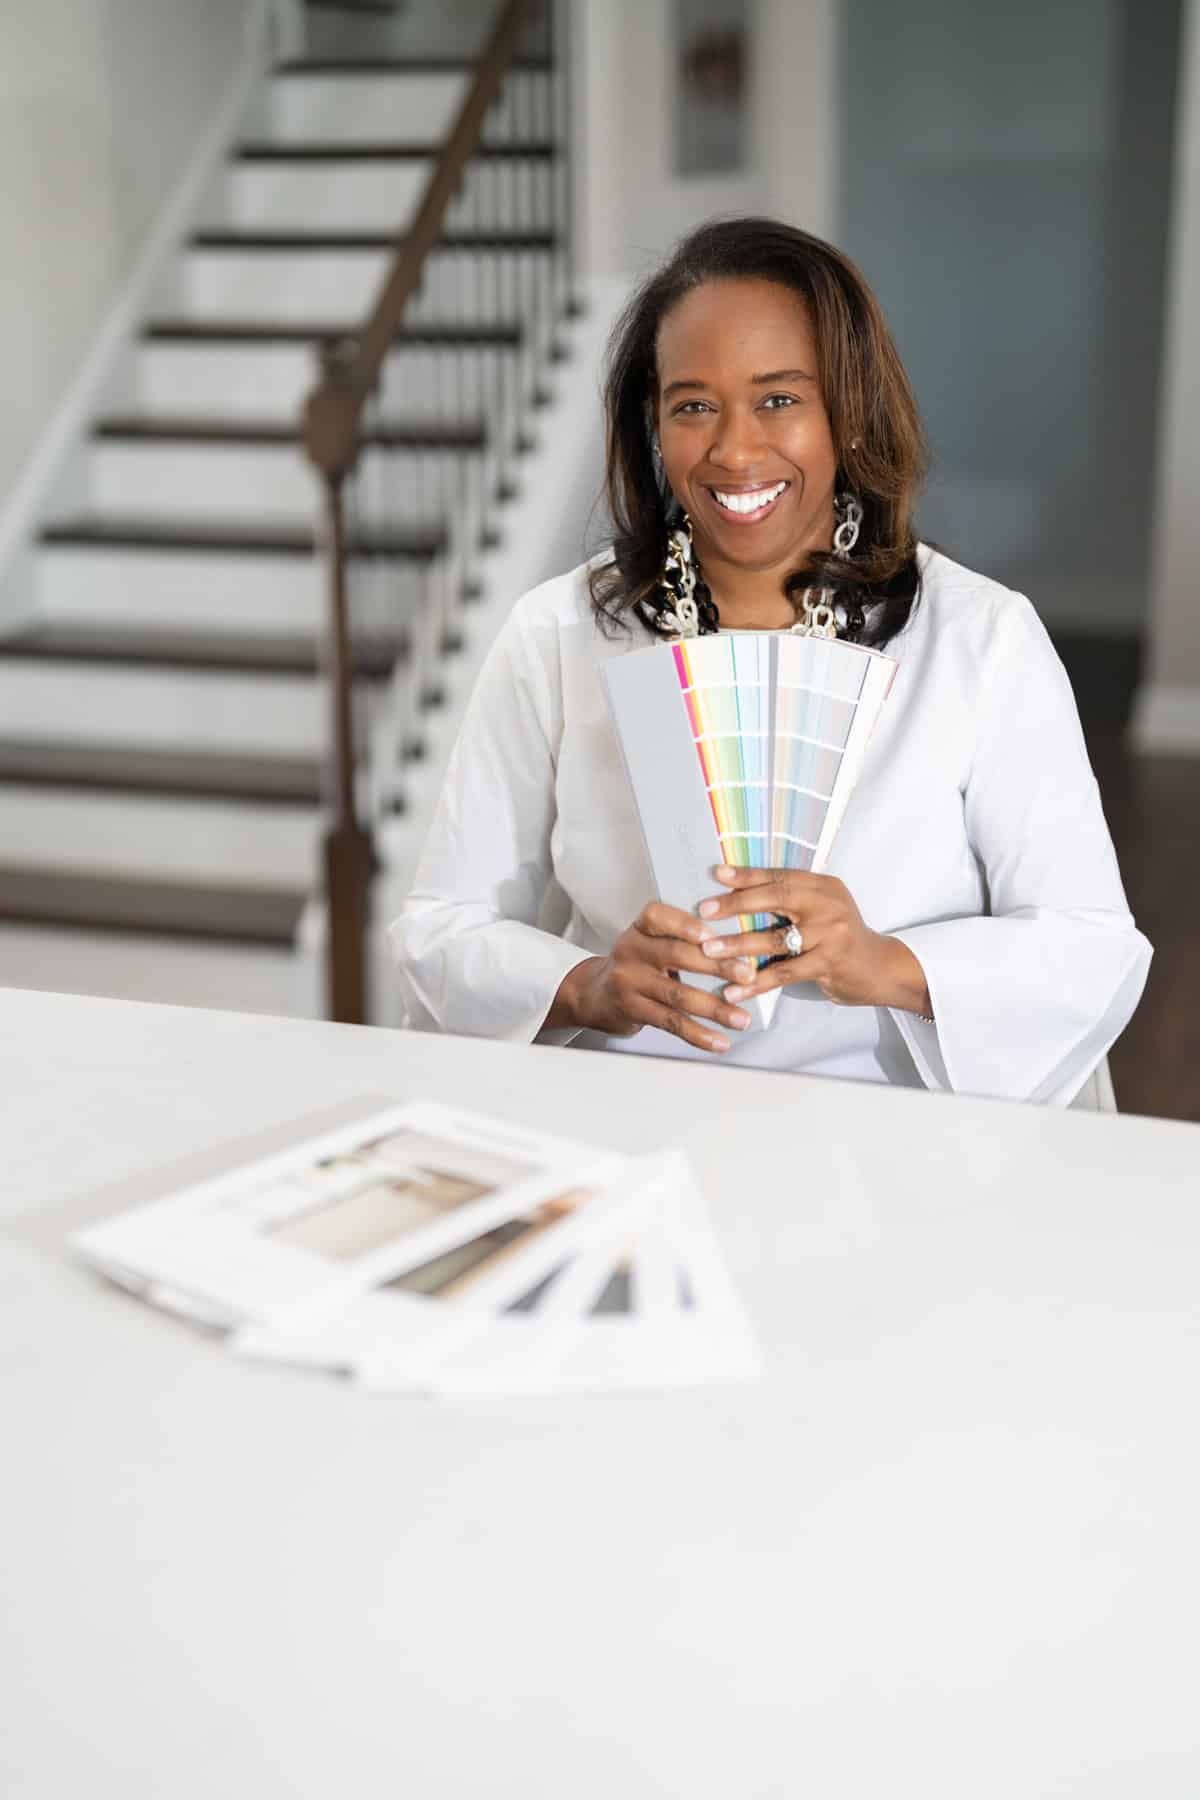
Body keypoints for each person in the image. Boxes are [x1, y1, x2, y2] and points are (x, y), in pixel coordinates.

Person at [391, 217, 1151, 1106]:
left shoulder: (982, 638)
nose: (735, 450)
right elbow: (439, 927)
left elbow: (1091, 944)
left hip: (890, 1135)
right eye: (693, 405)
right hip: (629, 1114)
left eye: (780, 399)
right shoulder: (557, 632)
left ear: (850, 413)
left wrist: (885, 962)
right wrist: (588, 985)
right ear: (655, 424)